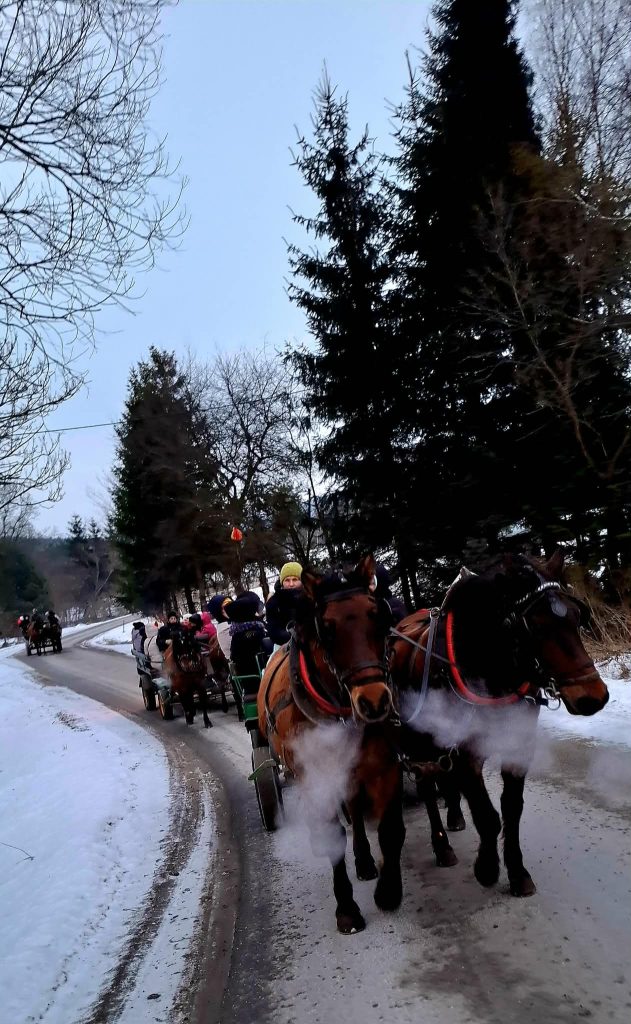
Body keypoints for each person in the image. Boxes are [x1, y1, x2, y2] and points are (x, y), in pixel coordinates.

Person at [225, 591, 270, 677]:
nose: (260, 611)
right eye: (257, 608)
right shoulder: (250, 633)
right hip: (257, 678)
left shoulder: (243, 629)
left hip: (263, 673)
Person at [265, 561, 303, 648]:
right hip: (283, 645)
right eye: (287, 580)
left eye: (295, 579)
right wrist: (292, 636)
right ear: (282, 582)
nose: (291, 584)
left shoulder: (311, 598)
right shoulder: (273, 602)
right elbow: (273, 631)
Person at [206, 594, 234, 660]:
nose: (232, 608)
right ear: (219, 612)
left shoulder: (234, 621)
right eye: (226, 607)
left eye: (232, 604)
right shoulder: (225, 631)